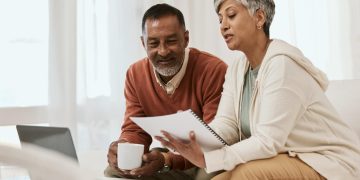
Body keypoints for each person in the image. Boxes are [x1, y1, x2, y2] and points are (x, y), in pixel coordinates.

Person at [155, 0, 360, 179]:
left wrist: (212, 158)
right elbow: (228, 125)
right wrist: (192, 136)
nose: (223, 26)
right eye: (220, 19)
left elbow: (267, 141)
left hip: (328, 162)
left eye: (231, 15)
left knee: (242, 176)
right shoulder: (237, 68)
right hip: (288, 156)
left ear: (259, 17)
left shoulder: (282, 65)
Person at [105, 3, 227, 180]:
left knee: (210, 176)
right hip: (172, 158)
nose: (162, 51)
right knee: (114, 171)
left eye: (171, 41)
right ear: (143, 43)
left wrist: (166, 160)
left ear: (186, 39)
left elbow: (213, 144)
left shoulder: (213, 70)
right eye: (153, 43)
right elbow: (135, 130)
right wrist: (123, 148)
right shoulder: (135, 74)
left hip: (206, 159)